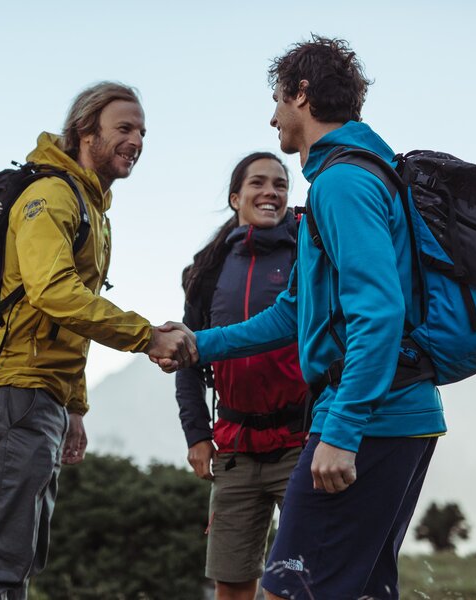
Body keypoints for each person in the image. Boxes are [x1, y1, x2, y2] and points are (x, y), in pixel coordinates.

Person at [157, 37, 446, 599]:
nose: (273, 117)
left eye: (278, 100)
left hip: (369, 418)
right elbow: (293, 313)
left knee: (288, 591)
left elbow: (379, 312)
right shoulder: (352, 177)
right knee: (361, 589)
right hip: (395, 414)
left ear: (302, 94)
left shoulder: (342, 183)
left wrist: (342, 430)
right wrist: (197, 346)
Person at [0, 81, 197, 600]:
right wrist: (145, 337)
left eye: (142, 132)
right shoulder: (51, 196)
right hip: (13, 393)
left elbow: (67, 323)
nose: (137, 140)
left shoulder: (93, 210)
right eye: (124, 128)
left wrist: (75, 408)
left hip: (41, 397)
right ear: (85, 131)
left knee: (20, 556)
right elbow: (54, 294)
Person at [176, 152, 309, 600]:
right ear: (236, 197)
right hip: (233, 450)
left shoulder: (308, 256)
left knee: (299, 584)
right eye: (258, 183)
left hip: (299, 443)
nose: (270, 192)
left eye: (280, 184)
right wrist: (197, 435)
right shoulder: (208, 269)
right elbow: (187, 359)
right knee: (231, 586)